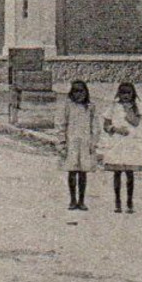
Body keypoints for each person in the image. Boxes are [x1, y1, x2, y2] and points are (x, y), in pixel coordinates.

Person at [100, 82, 142, 213]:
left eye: (128, 93)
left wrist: (128, 110)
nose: (125, 96)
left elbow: (136, 122)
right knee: (117, 173)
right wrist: (115, 129)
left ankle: (129, 201)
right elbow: (106, 125)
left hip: (130, 144)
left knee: (130, 174)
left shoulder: (136, 107)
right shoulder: (113, 107)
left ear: (133, 94)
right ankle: (117, 201)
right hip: (117, 143)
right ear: (118, 94)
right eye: (123, 93)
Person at [58, 80, 100, 211]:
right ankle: (72, 200)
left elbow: (95, 126)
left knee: (83, 173)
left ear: (86, 92)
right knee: (72, 171)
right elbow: (61, 125)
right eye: (75, 91)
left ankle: (81, 200)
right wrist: (62, 142)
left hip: (85, 144)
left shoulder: (90, 107)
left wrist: (93, 143)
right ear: (71, 93)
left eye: (81, 91)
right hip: (71, 143)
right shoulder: (68, 106)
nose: (79, 94)